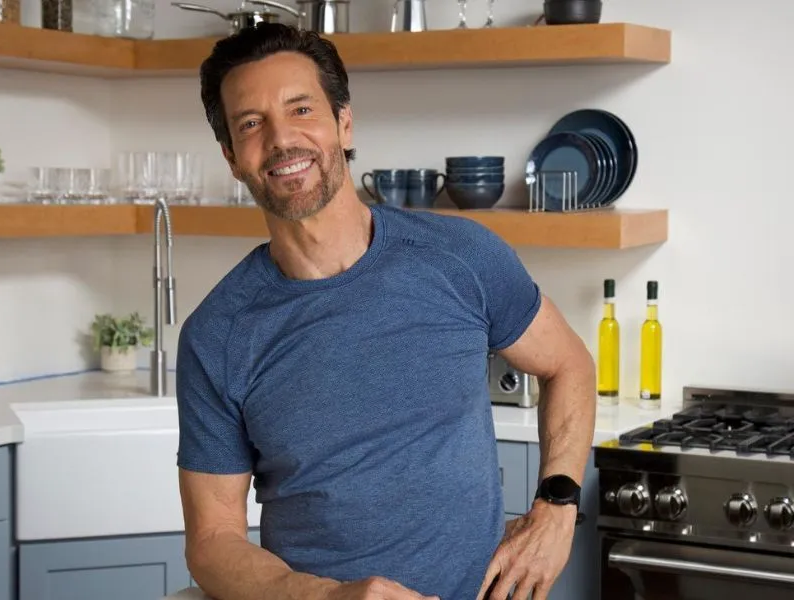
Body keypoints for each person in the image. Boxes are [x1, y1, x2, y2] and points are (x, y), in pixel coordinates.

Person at [175, 22, 596, 600]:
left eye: (302, 109)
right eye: (251, 123)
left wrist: (557, 507)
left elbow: (569, 364)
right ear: (231, 157)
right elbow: (211, 540)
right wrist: (327, 597)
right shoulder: (217, 335)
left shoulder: (461, 256)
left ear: (344, 123)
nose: (281, 139)